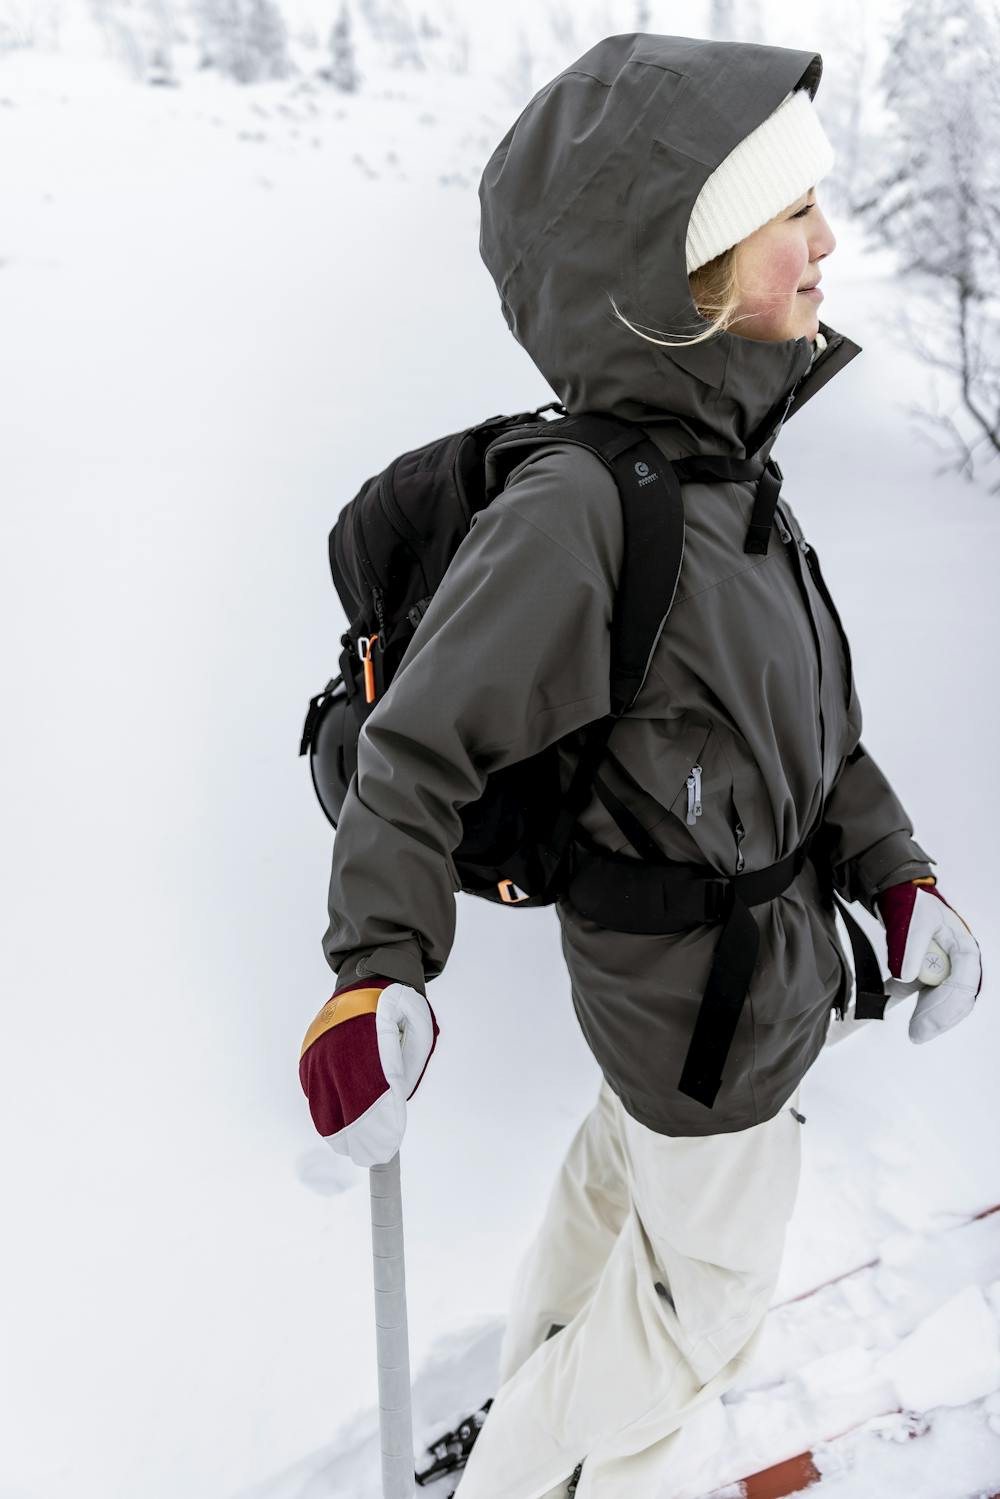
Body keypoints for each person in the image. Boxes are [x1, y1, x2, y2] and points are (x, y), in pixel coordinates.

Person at [299, 34, 984, 1499]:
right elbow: (416, 751)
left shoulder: (727, 472)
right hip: (700, 1016)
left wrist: (896, 874)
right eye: (789, 211)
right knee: (700, 1317)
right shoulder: (584, 510)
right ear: (680, 274)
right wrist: (376, 973)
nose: (828, 238)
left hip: (728, 993)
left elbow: (809, 729)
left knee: (620, 1206)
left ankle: (530, 1419)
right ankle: (530, 1475)